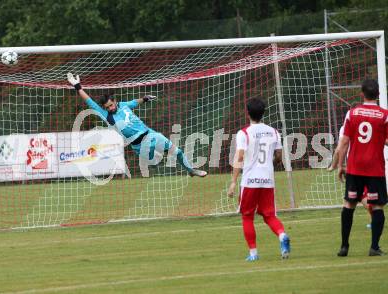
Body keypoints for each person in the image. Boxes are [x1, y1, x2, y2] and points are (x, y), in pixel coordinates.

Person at [67, 73, 207, 178]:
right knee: (155, 161)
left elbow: (134, 102)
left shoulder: (123, 105)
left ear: (115, 101)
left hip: (150, 134)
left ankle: (191, 171)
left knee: (178, 152)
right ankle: (160, 153)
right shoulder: (106, 115)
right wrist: (77, 86)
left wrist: (145, 99)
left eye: (111, 105)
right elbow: (89, 101)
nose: (110, 108)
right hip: (139, 146)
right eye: (107, 107)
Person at [227, 98, 290, 261]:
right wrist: (271, 163)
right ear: (263, 113)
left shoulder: (244, 133)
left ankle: (253, 253)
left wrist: (234, 181)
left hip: (250, 181)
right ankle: (282, 235)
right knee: (269, 215)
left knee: (247, 216)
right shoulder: (274, 132)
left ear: (247, 113)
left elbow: (240, 156)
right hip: (268, 180)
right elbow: (278, 157)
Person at [336, 79, 388, 257]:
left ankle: (344, 246)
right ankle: (374, 247)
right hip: (375, 168)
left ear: (361, 94)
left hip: (355, 166)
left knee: (349, 204)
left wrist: (341, 165)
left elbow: (344, 142)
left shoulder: (352, 113)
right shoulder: (384, 115)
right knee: (378, 206)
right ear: (378, 95)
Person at [328, 125, 373, 229]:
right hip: (372, 163)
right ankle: (373, 219)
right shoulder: (371, 123)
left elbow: (339, 149)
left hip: (355, 166)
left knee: (356, 197)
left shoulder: (345, 127)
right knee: (364, 194)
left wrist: (334, 166)